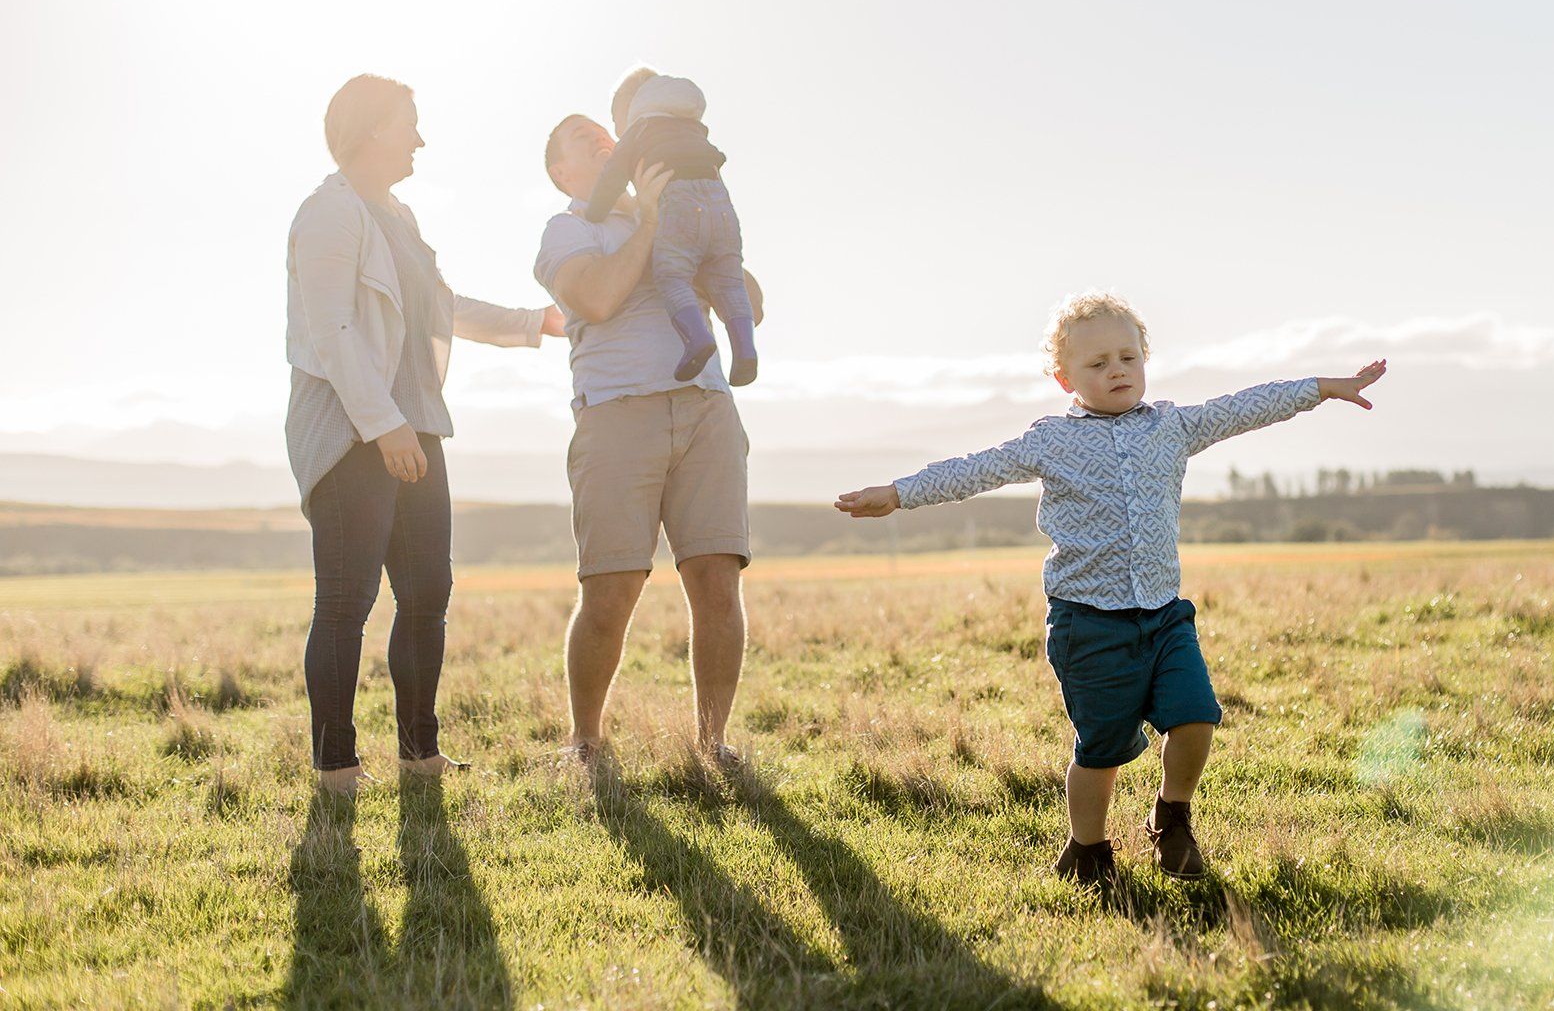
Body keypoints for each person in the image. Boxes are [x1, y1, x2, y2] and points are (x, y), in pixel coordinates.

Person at [835, 291, 1387, 884]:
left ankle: (1172, 815)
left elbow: (1247, 406)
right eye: (1097, 365)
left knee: (1197, 716)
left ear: (1145, 359)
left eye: (1128, 357)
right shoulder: (1051, 440)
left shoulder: (1173, 426)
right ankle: (1089, 850)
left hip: (1164, 614)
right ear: (1064, 377)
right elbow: (975, 469)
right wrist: (898, 493)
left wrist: (1323, 388)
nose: (1117, 370)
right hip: (1088, 623)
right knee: (1101, 749)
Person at [287, 74, 563, 796]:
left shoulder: (398, 217)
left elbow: (443, 307)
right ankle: (335, 766)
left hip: (415, 427)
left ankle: (419, 752)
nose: (420, 138)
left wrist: (536, 323)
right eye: (410, 123)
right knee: (346, 600)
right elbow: (332, 331)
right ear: (373, 129)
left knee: (426, 591)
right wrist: (383, 426)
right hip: (353, 432)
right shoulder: (327, 214)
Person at [536, 112, 761, 766]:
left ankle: (713, 743)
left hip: (706, 410)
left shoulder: (683, 206)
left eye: (603, 132)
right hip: (615, 416)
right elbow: (599, 299)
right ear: (560, 172)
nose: (600, 139)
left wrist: (691, 227)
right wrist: (653, 227)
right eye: (580, 139)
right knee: (610, 591)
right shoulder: (566, 228)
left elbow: (749, 299)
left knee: (719, 583)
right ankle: (586, 742)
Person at [582, 66, 757, 386]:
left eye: (616, 120)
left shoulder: (641, 129)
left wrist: (594, 213)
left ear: (634, 107)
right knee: (729, 279)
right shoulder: (694, 129)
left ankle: (696, 339)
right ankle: (745, 349)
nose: (617, 131)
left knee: (672, 273)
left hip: (678, 205)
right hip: (721, 208)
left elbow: (612, 176)